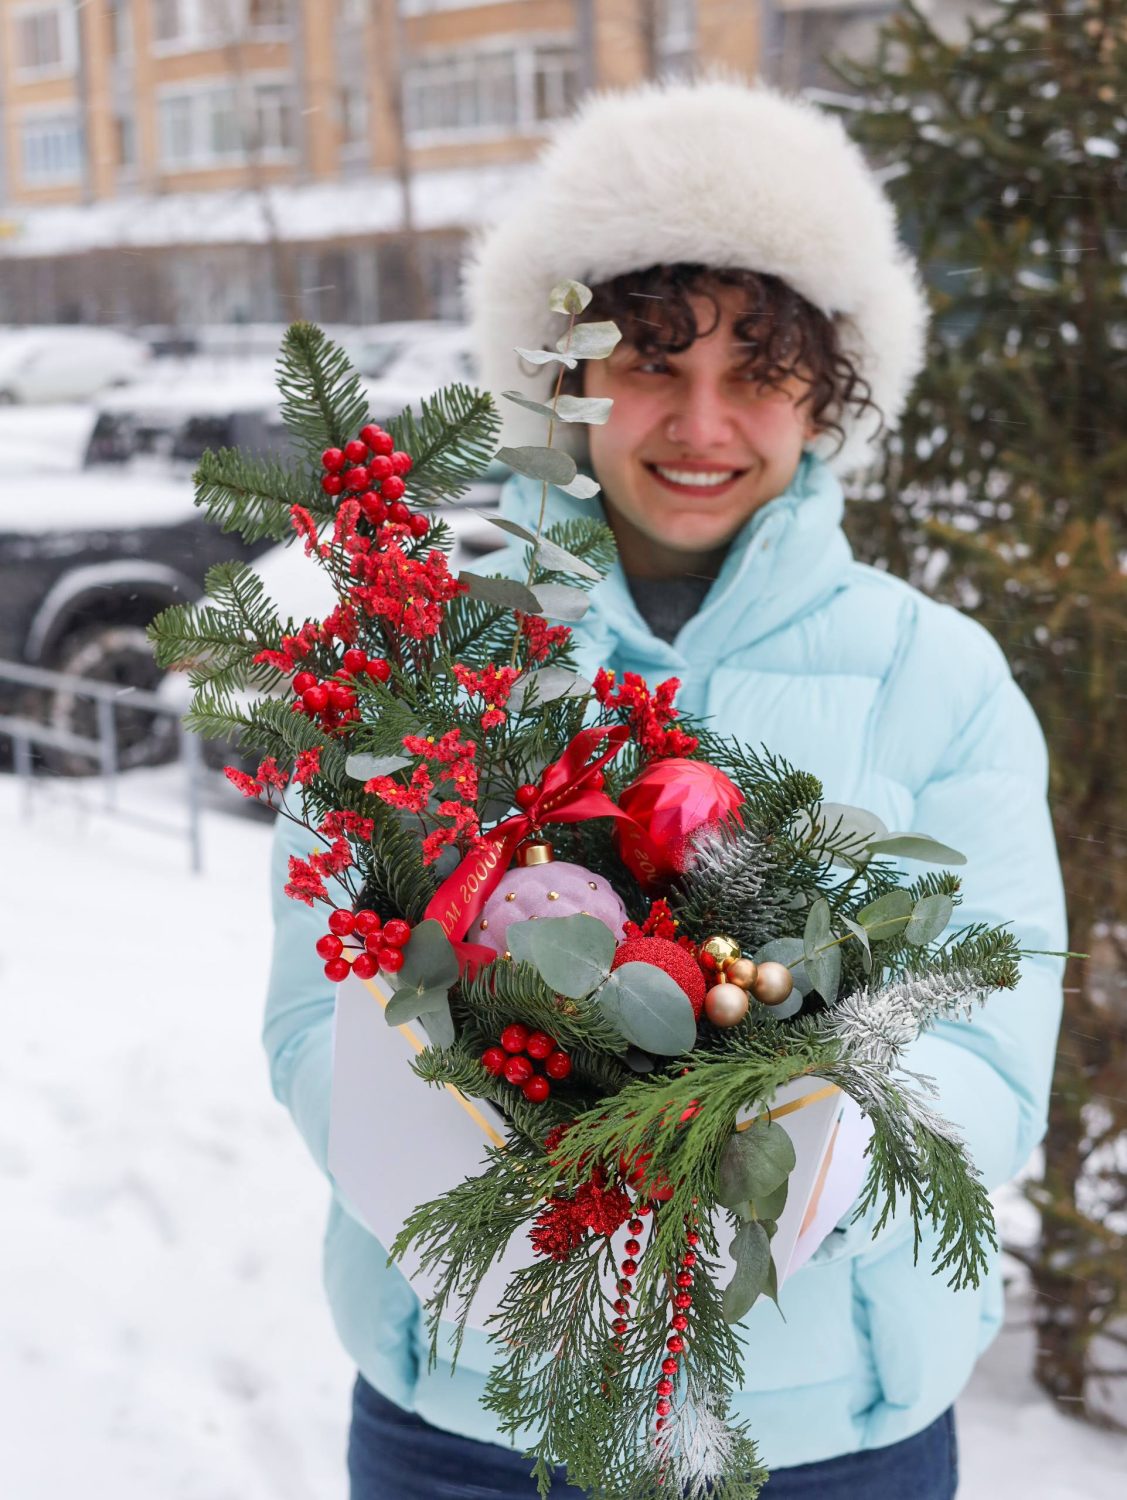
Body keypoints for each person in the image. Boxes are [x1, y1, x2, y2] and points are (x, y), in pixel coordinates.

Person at [263, 78, 1068, 1498]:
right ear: (569, 372)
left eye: (759, 367)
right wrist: (494, 1198)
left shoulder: (933, 675)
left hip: (823, 1438)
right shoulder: (438, 657)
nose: (702, 422)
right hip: (465, 1419)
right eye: (652, 358)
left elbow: (993, 1056)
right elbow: (310, 1011)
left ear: (830, 391)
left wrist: (778, 1181)